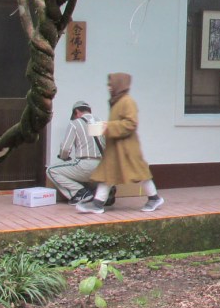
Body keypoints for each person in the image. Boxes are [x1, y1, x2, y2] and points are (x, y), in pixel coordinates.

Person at [76, 73, 164, 214]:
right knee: (107, 173)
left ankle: (154, 198)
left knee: (139, 173)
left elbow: (131, 123)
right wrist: (106, 127)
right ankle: (97, 203)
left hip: (127, 148)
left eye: (111, 84)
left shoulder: (127, 102)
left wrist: (108, 126)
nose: (109, 87)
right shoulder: (116, 101)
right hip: (115, 148)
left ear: (119, 84)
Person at [46, 101, 104, 205]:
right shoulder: (100, 122)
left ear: (76, 112)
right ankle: (101, 194)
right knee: (90, 176)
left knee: (51, 170)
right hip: (102, 166)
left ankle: (80, 193)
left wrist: (64, 157)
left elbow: (65, 149)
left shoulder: (75, 123)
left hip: (85, 164)